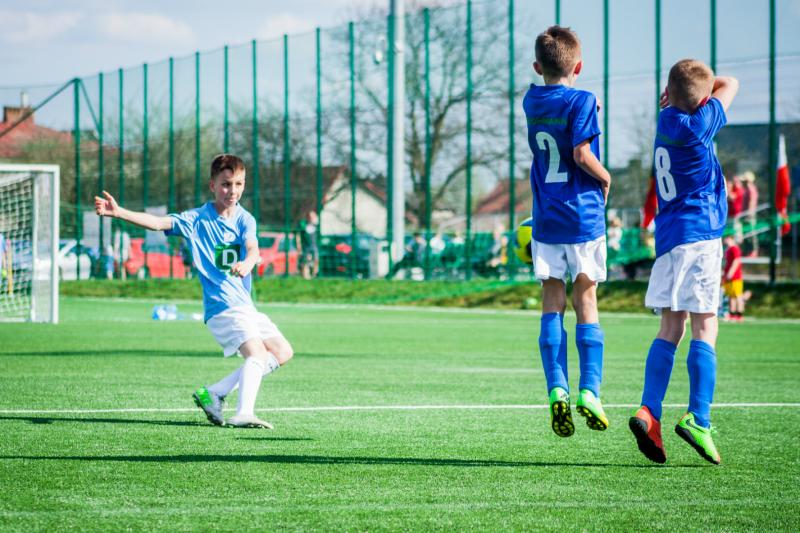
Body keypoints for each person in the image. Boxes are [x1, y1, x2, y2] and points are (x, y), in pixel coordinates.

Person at [95, 154, 294, 429]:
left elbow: (252, 248)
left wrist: (249, 262)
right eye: (226, 184)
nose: (232, 191)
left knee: (282, 351)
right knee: (257, 354)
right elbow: (158, 223)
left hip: (244, 306)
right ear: (212, 185)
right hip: (222, 306)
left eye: (238, 184)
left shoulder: (245, 219)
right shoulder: (197, 219)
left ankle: (214, 392)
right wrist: (120, 213)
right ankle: (244, 413)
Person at [629, 59, 738, 465]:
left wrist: (680, 93)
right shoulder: (698, 125)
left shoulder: (666, 120)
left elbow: (699, 90)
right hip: (701, 236)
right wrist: (702, 93)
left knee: (670, 328)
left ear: (668, 93)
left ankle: (649, 410)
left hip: (669, 238)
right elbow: (731, 82)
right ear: (704, 100)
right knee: (705, 326)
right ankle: (699, 417)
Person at [522, 26, 612, 438]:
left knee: (551, 300)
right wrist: (606, 176)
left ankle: (557, 388)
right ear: (578, 67)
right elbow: (580, 153)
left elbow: (554, 111)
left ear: (537, 67)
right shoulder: (583, 100)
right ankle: (589, 391)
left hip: (546, 218)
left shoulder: (530, 100)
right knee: (586, 299)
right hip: (583, 215)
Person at [722, 234, 745, 321]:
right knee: (731, 296)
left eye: (726, 239)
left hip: (736, 277)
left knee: (738, 295)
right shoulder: (728, 249)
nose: (725, 241)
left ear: (730, 239)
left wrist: (730, 273)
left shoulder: (734, 248)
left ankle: (740, 315)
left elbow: (736, 260)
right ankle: (732, 314)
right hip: (729, 277)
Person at [740, 171, 759, 255]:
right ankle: (747, 251)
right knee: (746, 233)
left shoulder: (751, 189)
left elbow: (751, 203)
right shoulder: (747, 189)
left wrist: (748, 213)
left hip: (749, 215)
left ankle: (753, 251)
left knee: (752, 233)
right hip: (745, 214)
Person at [298, 210, 319, 279]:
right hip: (306, 247)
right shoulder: (303, 225)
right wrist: (299, 246)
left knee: (316, 260)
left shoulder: (317, 225)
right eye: (310, 217)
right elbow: (299, 236)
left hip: (314, 246)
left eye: (313, 216)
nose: (311, 218)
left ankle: (314, 275)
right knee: (306, 261)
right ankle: (306, 276)